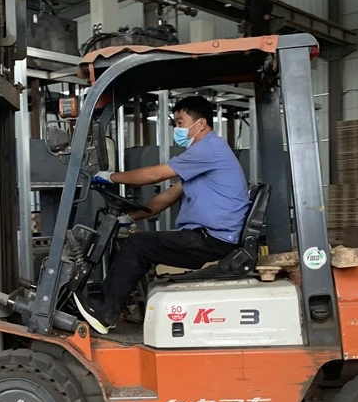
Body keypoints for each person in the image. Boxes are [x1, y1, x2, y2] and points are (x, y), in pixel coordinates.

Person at [73, 96, 250, 335]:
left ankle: (105, 313)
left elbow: (153, 175)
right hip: (208, 237)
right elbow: (168, 197)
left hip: (211, 240)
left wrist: (110, 177)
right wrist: (131, 217)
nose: (177, 128)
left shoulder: (208, 149)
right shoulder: (205, 154)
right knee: (135, 243)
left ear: (200, 124)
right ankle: (113, 306)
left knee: (138, 245)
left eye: (180, 122)